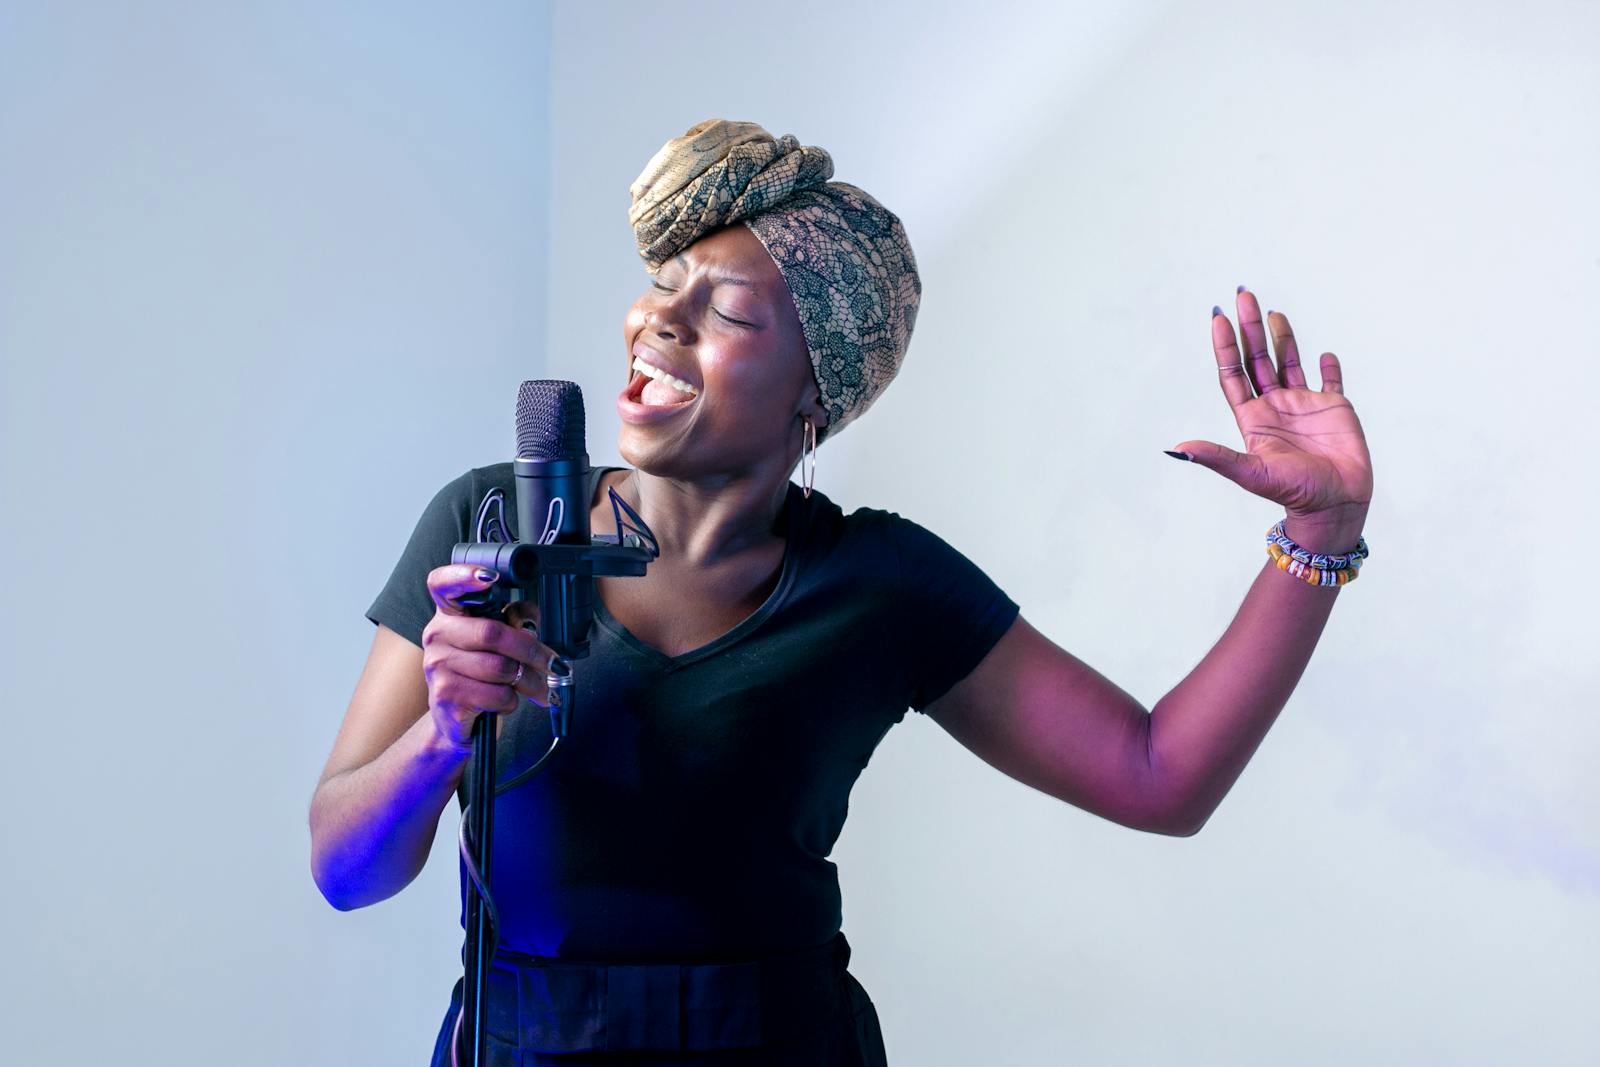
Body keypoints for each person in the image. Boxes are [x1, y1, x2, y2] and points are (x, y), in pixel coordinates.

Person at [308, 119, 1374, 1065]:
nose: (657, 320)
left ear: (815, 390)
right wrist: (441, 735)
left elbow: (1157, 776)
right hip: (520, 1045)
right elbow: (343, 869)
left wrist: (1318, 534)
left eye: (722, 310)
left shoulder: (881, 583)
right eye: (665, 281)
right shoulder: (488, 529)